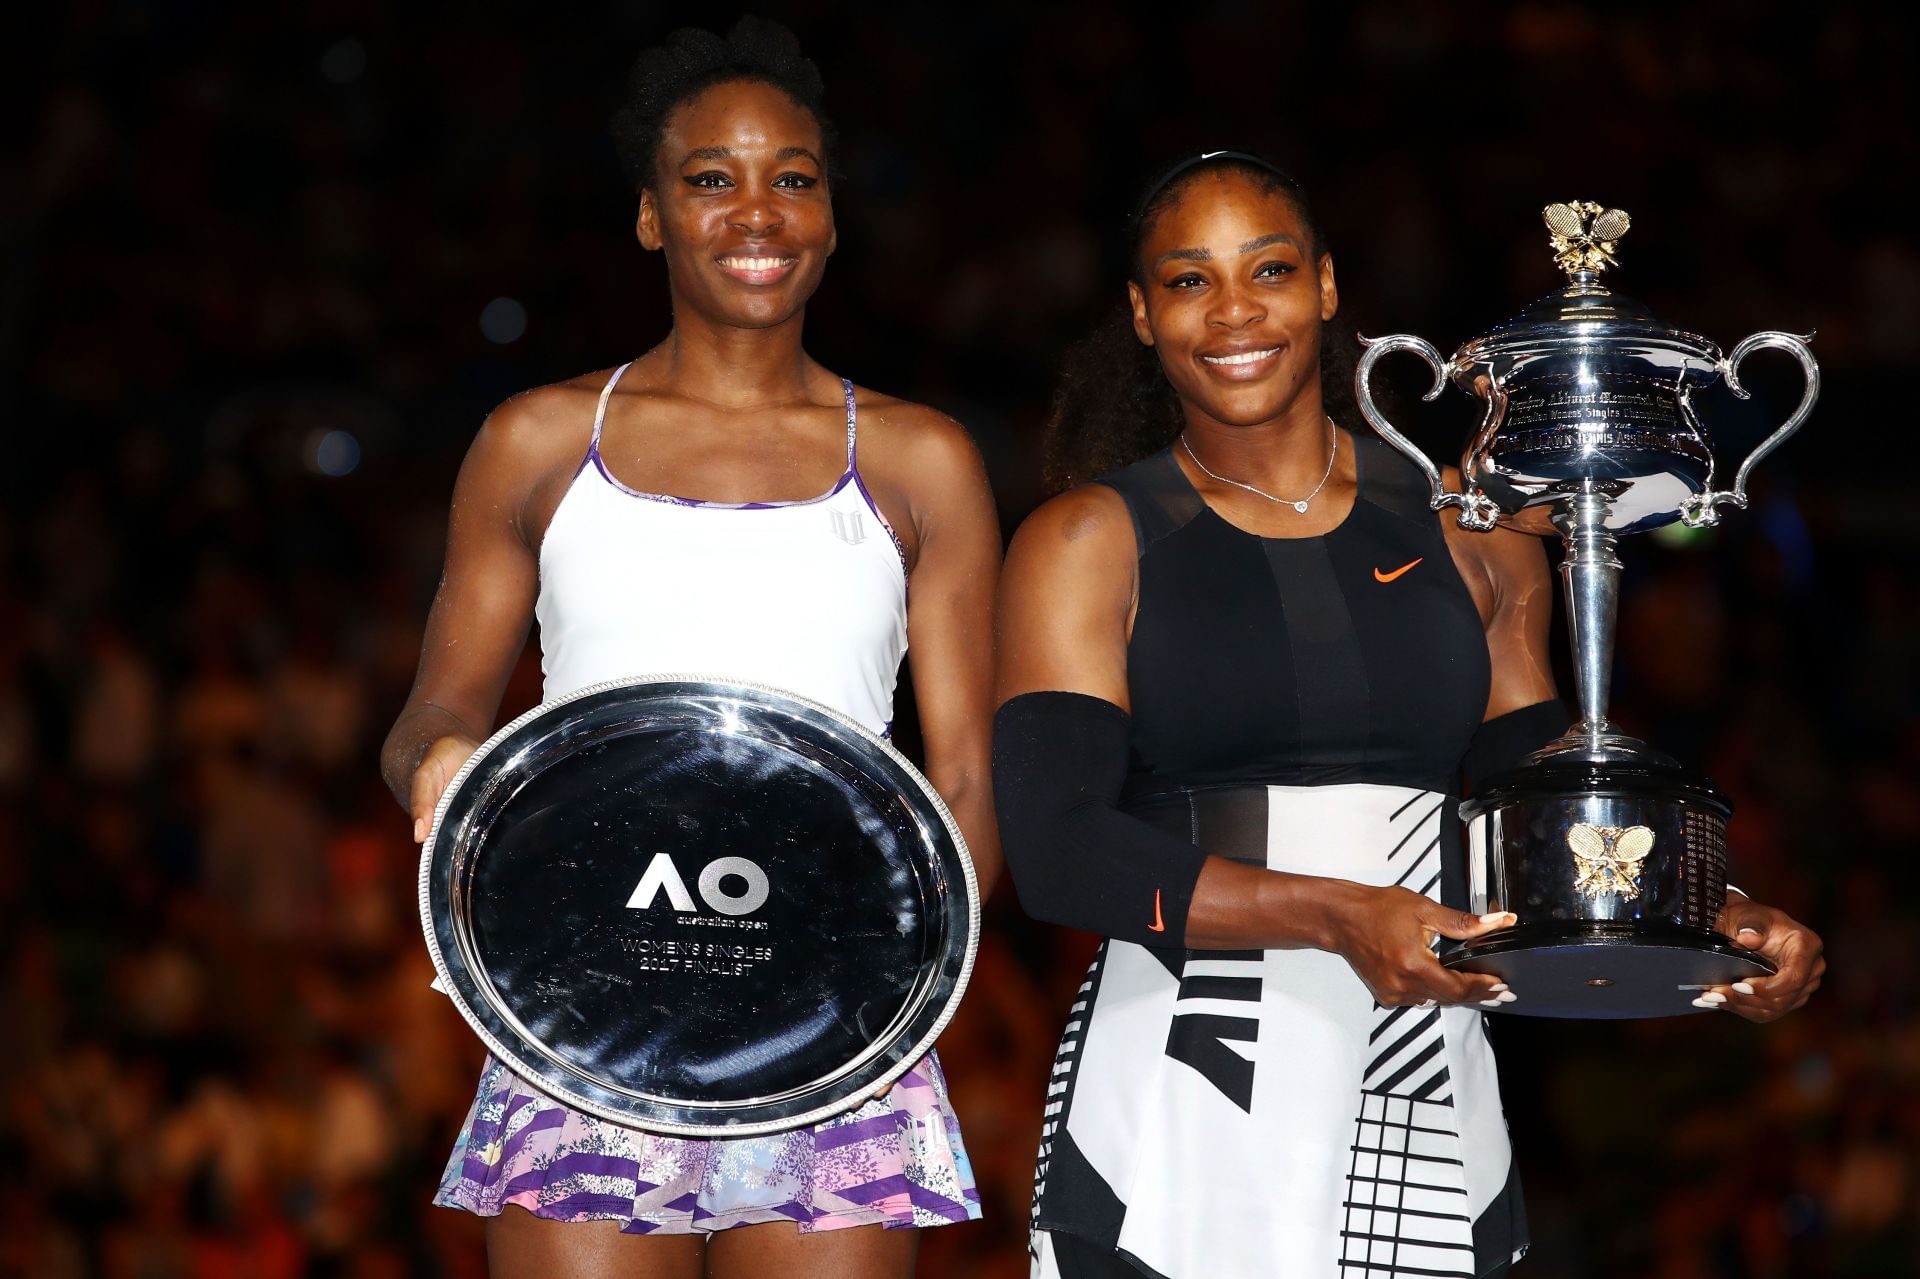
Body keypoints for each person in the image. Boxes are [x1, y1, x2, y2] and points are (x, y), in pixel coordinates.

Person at [991, 151, 1825, 1279]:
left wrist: (1706, 906)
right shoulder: (1085, 539)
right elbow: (1059, 850)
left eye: (1269, 268)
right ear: (1141, 314)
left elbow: (1538, 788)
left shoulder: (1475, 522)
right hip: (1186, 1081)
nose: (1235, 310)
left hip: (1418, 1063)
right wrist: (1339, 913)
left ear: (1328, 288)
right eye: (1189, 281)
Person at [378, 19, 1001, 1278]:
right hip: (591, 1015)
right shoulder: (539, 440)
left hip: (834, 1032)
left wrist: (888, 997)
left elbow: (970, 780)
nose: (756, 211)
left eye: (794, 177)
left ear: (830, 215)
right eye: (711, 178)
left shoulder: (920, 457)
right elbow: (428, 714)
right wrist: (443, 762)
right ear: (654, 217)